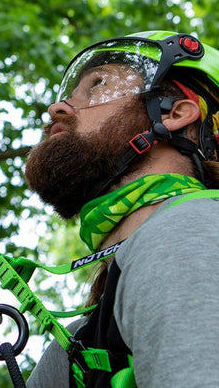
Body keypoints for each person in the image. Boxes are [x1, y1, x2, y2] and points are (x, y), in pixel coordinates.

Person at [23, 31, 219, 388]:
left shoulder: (186, 235)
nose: (57, 108)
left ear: (174, 114)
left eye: (97, 86)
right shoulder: (81, 338)